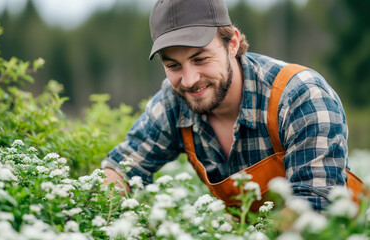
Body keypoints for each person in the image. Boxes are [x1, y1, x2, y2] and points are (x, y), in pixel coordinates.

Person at [100, 0, 359, 211]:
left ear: (232, 43)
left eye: (200, 58)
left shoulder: (300, 96)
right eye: (173, 66)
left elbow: (315, 209)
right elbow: (122, 168)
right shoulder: (174, 102)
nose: (189, 81)